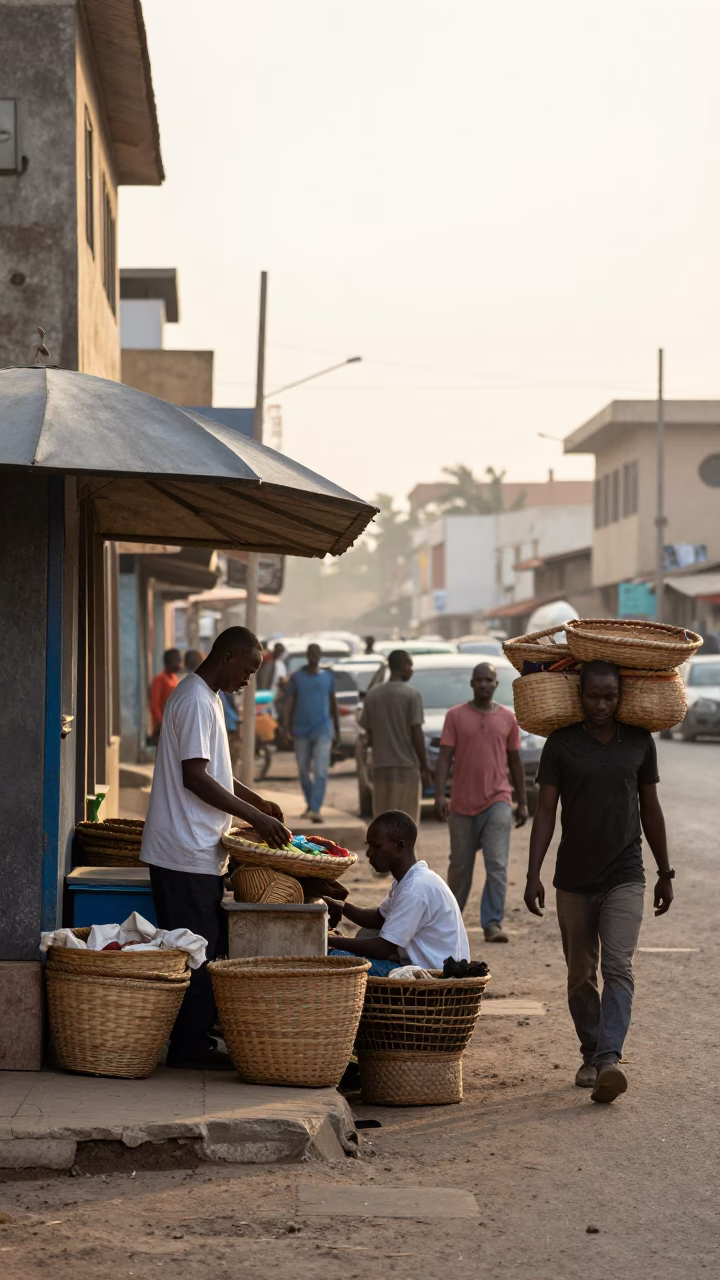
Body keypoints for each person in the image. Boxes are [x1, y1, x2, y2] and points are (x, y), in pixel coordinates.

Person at [524, 659, 674, 1104]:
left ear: (621, 696)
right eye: (594, 696)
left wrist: (665, 872)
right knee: (579, 976)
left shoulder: (639, 743)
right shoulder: (561, 745)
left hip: (626, 873)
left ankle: (609, 1058)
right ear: (580, 695)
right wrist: (533, 873)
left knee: (618, 967)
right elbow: (546, 812)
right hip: (572, 877)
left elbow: (650, 809)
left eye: (610, 697)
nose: (602, 705)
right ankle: (590, 1050)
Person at [141, 626, 291, 1070]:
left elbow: (214, 772)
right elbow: (194, 776)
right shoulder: (191, 698)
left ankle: (196, 1038)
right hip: (183, 851)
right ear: (225, 656)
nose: (248, 681)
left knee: (205, 947)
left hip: (198, 848)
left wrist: (254, 800)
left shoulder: (210, 697)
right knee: (197, 953)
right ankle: (189, 1048)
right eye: (246, 670)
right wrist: (255, 818)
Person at [434, 662, 528, 943]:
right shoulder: (455, 716)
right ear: (472, 683)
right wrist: (440, 794)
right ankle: (452, 921)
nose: (484, 684)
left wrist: (522, 801)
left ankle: (492, 923)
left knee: (497, 865)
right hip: (462, 805)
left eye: (489, 680)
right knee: (460, 866)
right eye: (479, 680)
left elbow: (515, 762)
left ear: (496, 685)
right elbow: (444, 757)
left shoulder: (508, 718)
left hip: (497, 800)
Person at [327, 810, 470, 975]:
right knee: (357, 942)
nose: (369, 853)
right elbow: (377, 918)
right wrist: (337, 905)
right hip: (423, 967)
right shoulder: (409, 880)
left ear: (399, 846)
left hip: (432, 975)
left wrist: (330, 941)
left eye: (376, 846)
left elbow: (385, 948)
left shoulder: (415, 888)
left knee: (335, 958)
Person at [360, 650, 432, 825]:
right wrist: (424, 767)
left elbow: (367, 732)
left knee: (383, 824)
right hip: (406, 770)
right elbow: (417, 733)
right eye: (410, 666)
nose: (412, 670)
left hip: (381, 769)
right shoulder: (411, 695)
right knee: (407, 824)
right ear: (402, 667)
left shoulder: (373, 695)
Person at [284, 642, 339, 822]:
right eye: (311, 653)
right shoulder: (297, 678)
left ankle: (315, 808)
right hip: (301, 730)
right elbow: (290, 703)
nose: (314, 656)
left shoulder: (328, 677)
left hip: (323, 729)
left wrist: (336, 729)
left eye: (317, 653)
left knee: (321, 770)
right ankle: (311, 804)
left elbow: (333, 704)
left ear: (320, 655)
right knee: (303, 771)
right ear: (307, 655)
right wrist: (286, 727)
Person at [148, 648, 182, 745]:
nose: (179, 664)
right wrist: (161, 723)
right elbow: (154, 705)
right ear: (168, 662)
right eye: (177, 661)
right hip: (162, 728)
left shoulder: (175, 679)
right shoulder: (159, 680)